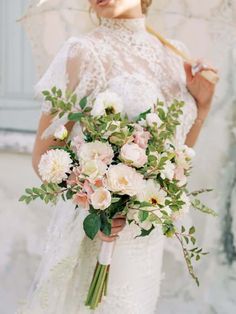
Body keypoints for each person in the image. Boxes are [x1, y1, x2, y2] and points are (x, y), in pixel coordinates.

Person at [17, 0, 218, 313]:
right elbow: (45, 158)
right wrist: (96, 203)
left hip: (146, 240)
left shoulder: (175, 54)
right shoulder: (83, 51)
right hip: (102, 234)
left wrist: (202, 106)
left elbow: (179, 160)